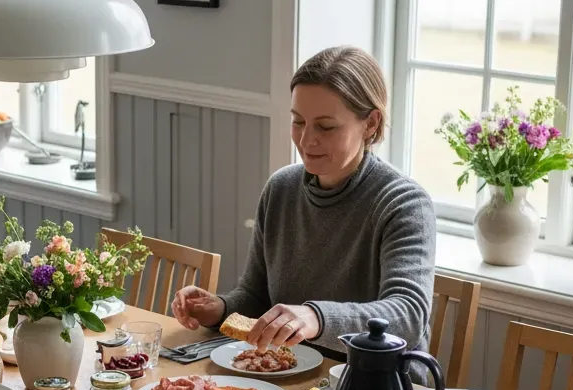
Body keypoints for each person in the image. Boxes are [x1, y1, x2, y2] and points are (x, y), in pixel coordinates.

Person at [172, 46, 436, 356]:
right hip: (290, 376)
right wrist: (220, 308)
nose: (307, 140)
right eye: (298, 122)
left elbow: (408, 316)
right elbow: (256, 296)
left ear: (371, 123)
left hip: (373, 385)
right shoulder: (281, 189)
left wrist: (316, 318)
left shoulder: (404, 203)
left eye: (326, 126)